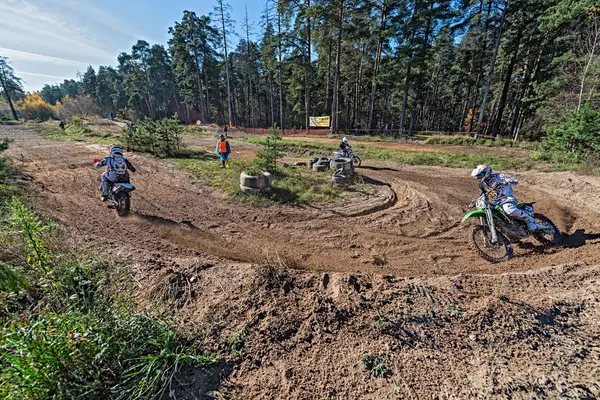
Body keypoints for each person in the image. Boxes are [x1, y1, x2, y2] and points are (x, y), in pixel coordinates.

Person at [471, 165, 537, 231]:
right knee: (490, 213)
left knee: (508, 209)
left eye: (479, 175)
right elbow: (482, 195)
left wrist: (505, 182)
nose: (478, 178)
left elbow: (515, 180)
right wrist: (476, 201)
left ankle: (529, 219)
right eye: (477, 176)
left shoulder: (499, 176)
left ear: (486, 172)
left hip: (507, 199)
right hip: (496, 202)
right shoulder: (483, 184)